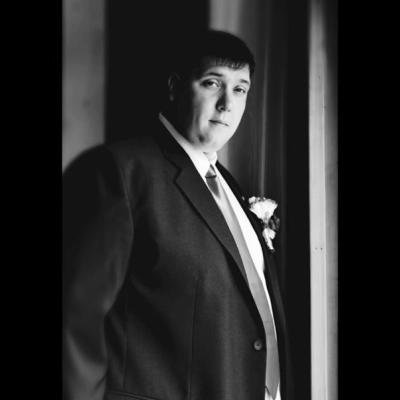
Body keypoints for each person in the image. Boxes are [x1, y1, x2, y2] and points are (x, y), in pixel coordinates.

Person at [63, 30, 293, 400]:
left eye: (240, 89)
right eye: (212, 83)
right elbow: (76, 320)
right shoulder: (119, 172)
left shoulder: (229, 186)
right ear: (174, 86)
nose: (227, 104)